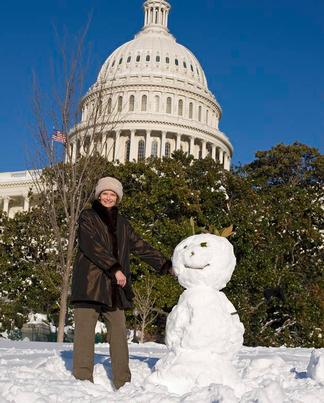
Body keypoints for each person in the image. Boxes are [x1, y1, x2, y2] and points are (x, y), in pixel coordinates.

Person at [70, 176, 172, 389]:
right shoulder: (87, 216)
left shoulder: (123, 224)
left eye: (112, 195)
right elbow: (91, 246)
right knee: (84, 335)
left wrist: (166, 265)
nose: (108, 197)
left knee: (118, 333)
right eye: (105, 193)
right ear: (98, 195)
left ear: (117, 198)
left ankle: (123, 381)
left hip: (114, 288)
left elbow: (141, 246)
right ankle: (82, 380)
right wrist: (115, 268)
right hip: (89, 284)